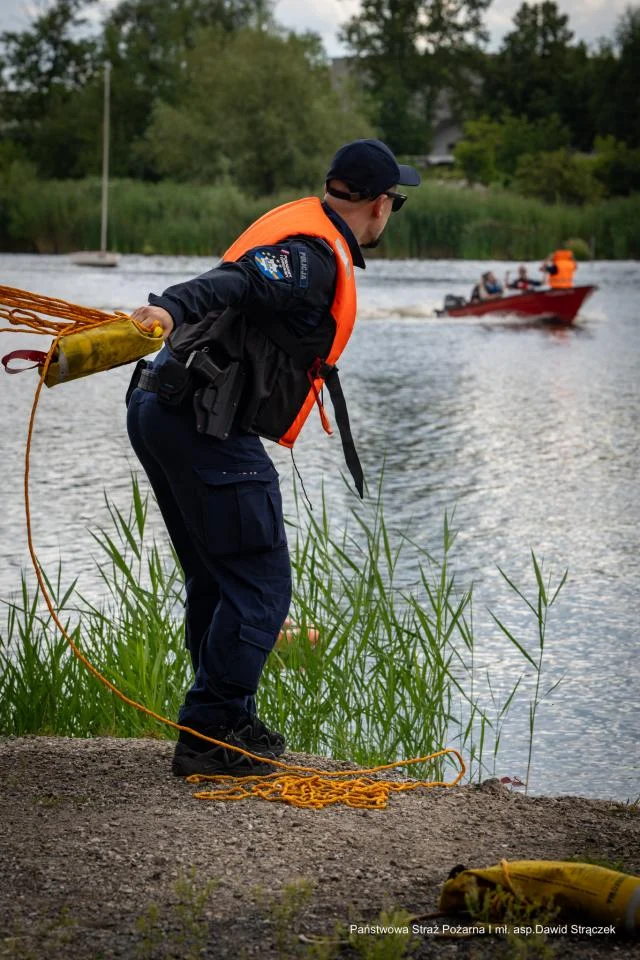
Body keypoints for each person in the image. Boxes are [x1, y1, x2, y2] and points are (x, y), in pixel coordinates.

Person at [126, 139, 420, 778]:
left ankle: (223, 718)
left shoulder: (306, 231)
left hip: (164, 407)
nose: (390, 211)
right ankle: (212, 732)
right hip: (199, 422)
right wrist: (170, 306)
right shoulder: (312, 256)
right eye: (394, 201)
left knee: (217, 576)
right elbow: (240, 279)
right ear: (377, 204)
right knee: (261, 584)